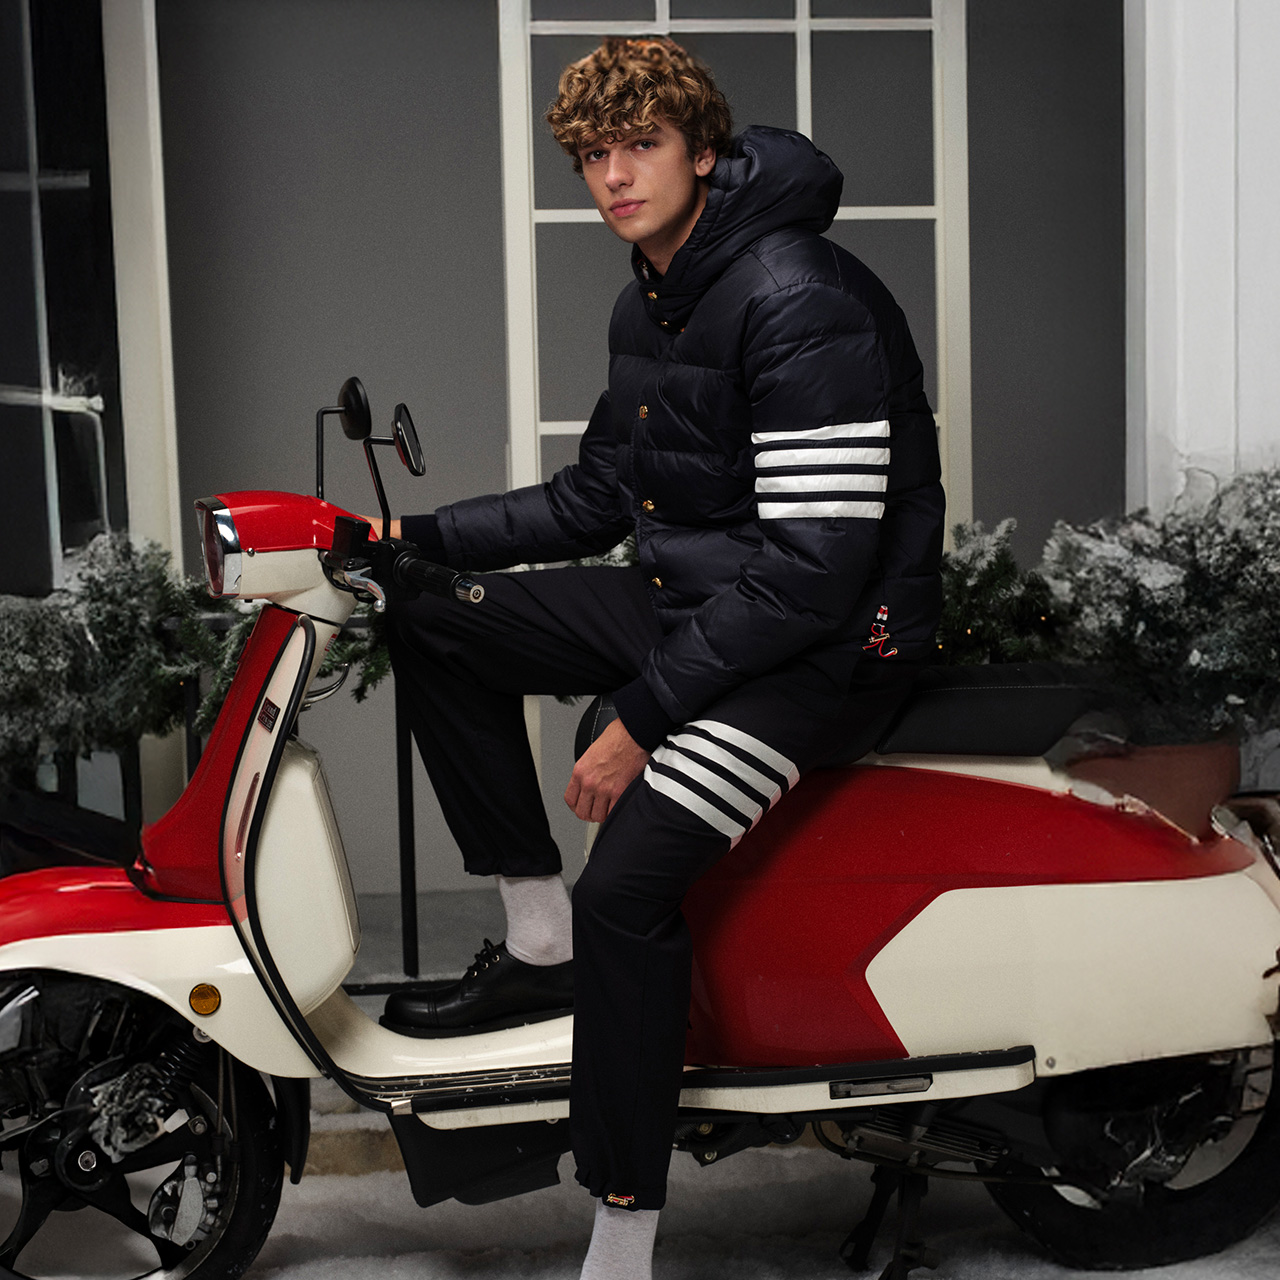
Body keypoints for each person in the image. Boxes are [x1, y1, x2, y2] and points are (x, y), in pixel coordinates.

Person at [375, 36, 944, 1280]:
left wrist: (639, 713)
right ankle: (535, 949)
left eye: (639, 145)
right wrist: (405, 535)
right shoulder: (653, 294)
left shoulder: (802, 295)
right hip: (691, 605)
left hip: (821, 652)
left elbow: (813, 570)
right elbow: (598, 497)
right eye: (591, 153)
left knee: (626, 891)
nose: (614, 175)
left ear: (701, 148)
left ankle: (622, 1230)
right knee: (429, 613)